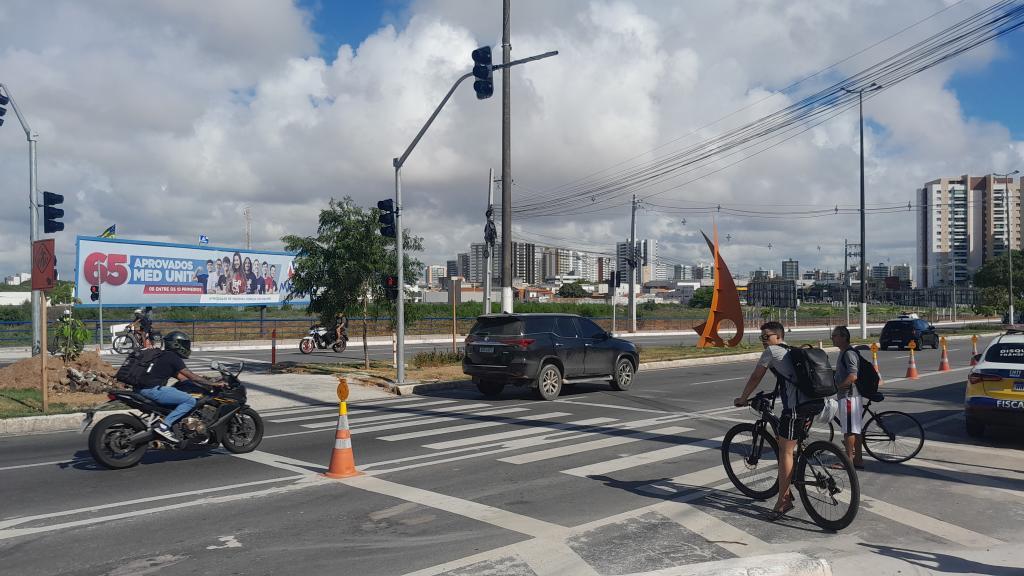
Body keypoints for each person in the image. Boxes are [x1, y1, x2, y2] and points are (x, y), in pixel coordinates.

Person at [734, 321, 825, 521]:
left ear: (777, 336)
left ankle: (783, 500)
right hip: (815, 403)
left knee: (785, 451)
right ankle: (794, 480)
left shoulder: (772, 352)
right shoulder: (791, 352)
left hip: (795, 409)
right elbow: (787, 381)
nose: (763, 341)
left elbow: (756, 377)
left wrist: (743, 398)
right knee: (792, 444)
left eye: (766, 337)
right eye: (762, 338)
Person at [137, 331, 220, 443]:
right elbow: (191, 376)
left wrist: (207, 380)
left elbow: (183, 378)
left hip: (142, 389)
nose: (186, 347)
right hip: (152, 390)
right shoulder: (173, 357)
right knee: (190, 401)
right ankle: (164, 426)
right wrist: (214, 384)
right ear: (176, 344)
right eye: (184, 344)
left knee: (177, 393)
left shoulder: (163, 355)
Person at [830, 326, 865, 470]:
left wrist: (838, 388)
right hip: (851, 396)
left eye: (835, 335)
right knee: (855, 429)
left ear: (844, 336)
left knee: (849, 430)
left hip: (849, 396)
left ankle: (849, 461)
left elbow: (853, 376)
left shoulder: (849, 353)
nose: (832, 338)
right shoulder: (844, 352)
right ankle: (858, 460)